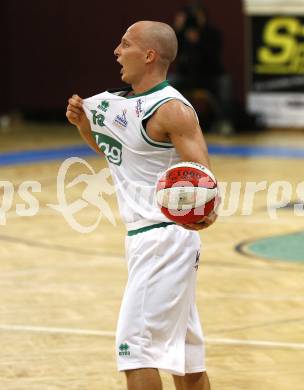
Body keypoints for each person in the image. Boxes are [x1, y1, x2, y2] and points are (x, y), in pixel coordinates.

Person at [66, 20, 217, 390]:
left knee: (135, 352)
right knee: (185, 361)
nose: (117, 52)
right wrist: (85, 128)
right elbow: (118, 154)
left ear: (149, 55)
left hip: (163, 239)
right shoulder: (125, 103)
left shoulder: (172, 110)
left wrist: (207, 210)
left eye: (125, 44)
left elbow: (204, 178)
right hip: (146, 239)